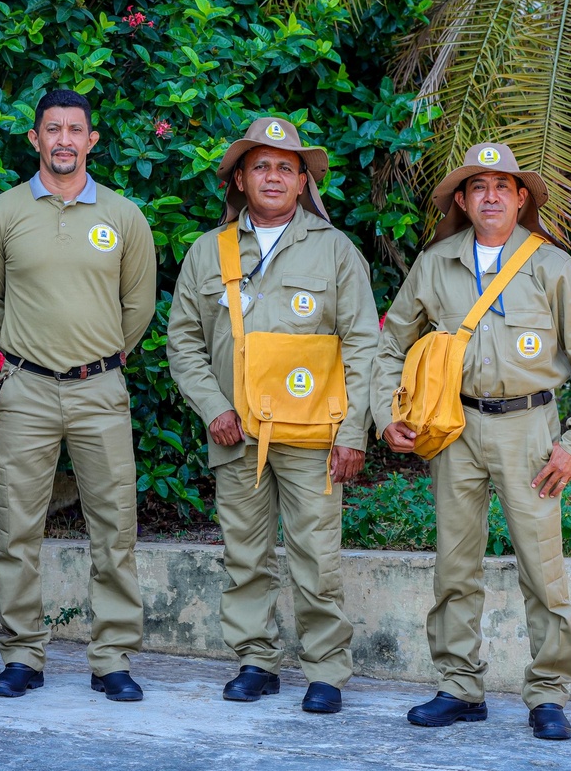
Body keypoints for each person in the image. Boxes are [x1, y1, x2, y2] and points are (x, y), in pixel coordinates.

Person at [373, 143, 571, 739]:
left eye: (502, 186)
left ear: (520, 198)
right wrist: (385, 415)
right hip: (452, 428)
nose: (490, 196)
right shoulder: (435, 264)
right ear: (461, 199)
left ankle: (548, 694)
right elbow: (390, 345)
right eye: (478, 186)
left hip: (529, 431)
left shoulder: (552, 267)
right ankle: (459, 686)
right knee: (455, 565)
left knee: (541, 567)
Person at [167, 117, 381, 714]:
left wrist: (353, 432)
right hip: (236, 432)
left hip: (314, 434)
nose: (273, 176)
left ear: (303, 181)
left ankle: (326, 671)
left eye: (286, 167)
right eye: (260, 165)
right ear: (239, 178)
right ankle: (255, 661)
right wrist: (214, 408)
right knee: (244, 554)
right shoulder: (207, 252)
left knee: (318, 557)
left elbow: (364, 345)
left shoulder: (335, 251)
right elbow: (183, 342)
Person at [0, 90, 157, 702]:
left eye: (76, 130)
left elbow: (138, 305)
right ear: (35, 139)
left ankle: (112, 659)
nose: (65, 140)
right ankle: (22, 654)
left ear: (92, 140)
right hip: (25, 389)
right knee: (15, 527)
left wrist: (98, 353)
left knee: (115, 526)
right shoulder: (2, 213)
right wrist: (28, 348)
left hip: (100, 389)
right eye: (53, 129)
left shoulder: (124, 216)